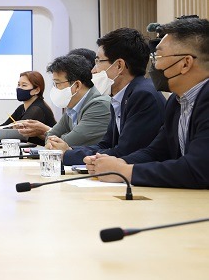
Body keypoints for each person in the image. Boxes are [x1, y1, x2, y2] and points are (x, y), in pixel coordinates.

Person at [86, 18, 209, 188]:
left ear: (185, 63)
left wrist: (126, 171)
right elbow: (156, 152)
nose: (154, 64)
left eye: (158, 56)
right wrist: (116, 163)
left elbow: (198, 168)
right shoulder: (176, 102)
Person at [47, 28, 166, 165]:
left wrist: (68, 155)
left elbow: (124, 153)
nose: (93, 70)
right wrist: (69, 150)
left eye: (98, 61)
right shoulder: (120, 97)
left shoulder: (143, 95)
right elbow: (106, 144)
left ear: (119, 66)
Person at [17, 54, 111, 147]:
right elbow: (50, 136)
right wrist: (56, 139)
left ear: (77, 85)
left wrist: (58, 139)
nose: (55, 88)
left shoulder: (99, 105)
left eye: (57, 83)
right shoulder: (72, 106)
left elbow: (68, 142)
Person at [0, 71, 56, 145]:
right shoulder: (22, 108)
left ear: (36, 90)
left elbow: (16, 132)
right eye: (18, 85)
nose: (19, 88)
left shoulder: (37, 109)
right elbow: (5, 126)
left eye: (24, 85)